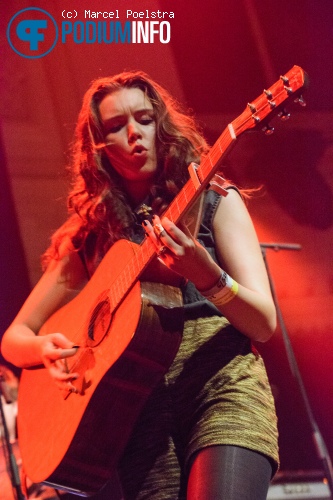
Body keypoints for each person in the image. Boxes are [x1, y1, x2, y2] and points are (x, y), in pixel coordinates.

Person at [1, 71, 279, 499]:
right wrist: (43, 349)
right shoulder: (90, 236)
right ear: (99, 148)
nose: (134, 133)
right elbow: (14, 338)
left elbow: (263, 324)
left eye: (144, 118)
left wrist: (207, 275)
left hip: (221, 387)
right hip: (136, 415)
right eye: (115, 126)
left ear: (161, 125)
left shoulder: (215, 202)